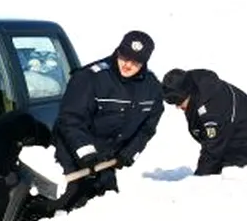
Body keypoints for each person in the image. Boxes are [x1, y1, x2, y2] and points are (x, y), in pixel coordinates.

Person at [51, 30, 164, 210]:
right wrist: (86, 153)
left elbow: (147, 127)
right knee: (64, 212)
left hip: (106, 161)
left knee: (108, 211)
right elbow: (71, 120)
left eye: (135, 61)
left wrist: (129, 153)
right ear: (118, 51)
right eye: (125, 57)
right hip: (72, 159)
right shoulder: (90, 78)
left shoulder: (151, 88)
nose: (128, 64)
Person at [161, 67, 247, 176]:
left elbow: (213, 149)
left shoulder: (213, 108)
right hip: (233, 145)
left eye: (178, 102)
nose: (177, 107)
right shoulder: (196, 91)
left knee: (226, 178)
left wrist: (198, 181)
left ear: (188, 93)